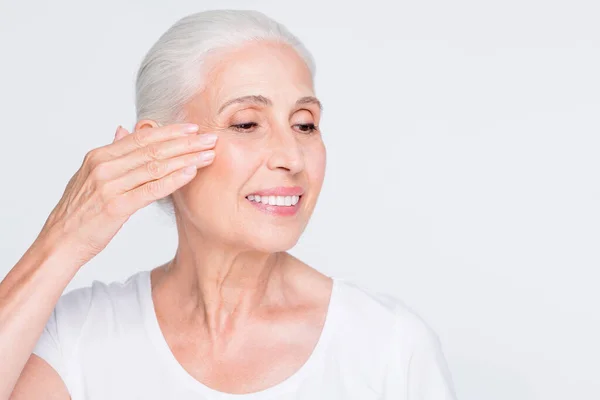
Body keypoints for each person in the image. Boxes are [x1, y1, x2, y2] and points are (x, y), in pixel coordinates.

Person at [1, 9, 457, 400]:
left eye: (304, 124)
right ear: (154, 148)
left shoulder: (388, 347)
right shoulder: (78, 336)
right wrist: (63, 239)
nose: (291, 158)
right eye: (245, 123)